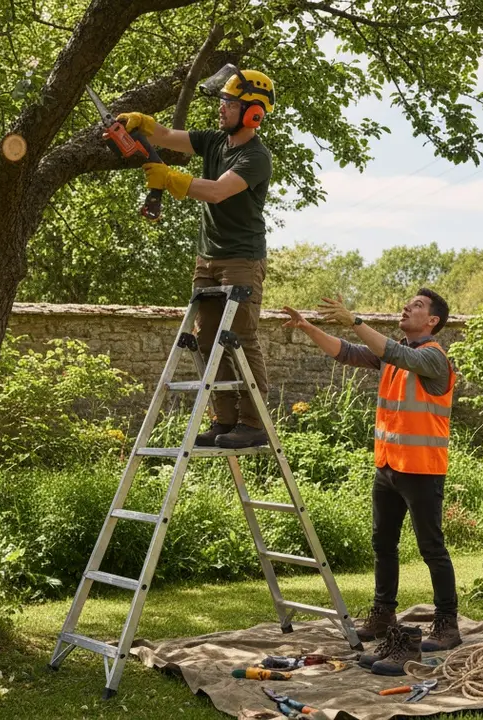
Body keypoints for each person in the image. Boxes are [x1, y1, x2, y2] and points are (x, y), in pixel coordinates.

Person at [282, 290, 461, 672]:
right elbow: (347, 352)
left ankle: (447, 624)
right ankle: (383, 615)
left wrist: (356, 321)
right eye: (409, 302)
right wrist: (308, 327)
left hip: (422, 468)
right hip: (389, 466)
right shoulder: (394, 351)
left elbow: (398, 355)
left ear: (432, 321)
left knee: (431, 547)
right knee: (383, 543)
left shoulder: (433, 358)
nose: (408, 307)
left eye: (417, 305)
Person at [117, 68, 276, 449]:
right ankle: (224, 419)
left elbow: (218, 192)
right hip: (207, 257)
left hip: (241, 259)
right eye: (222, 101)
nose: (222, 109)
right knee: (206, 339)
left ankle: (253, 422)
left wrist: (170, 179)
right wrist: (141, 122)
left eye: (230, 103)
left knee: (239, 336)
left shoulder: (256, 157)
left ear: (253, 113)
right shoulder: (214, 141)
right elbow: (168, 137)